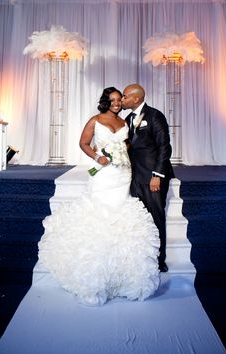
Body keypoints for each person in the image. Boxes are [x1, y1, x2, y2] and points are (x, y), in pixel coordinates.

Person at [38, 87, 160, 306]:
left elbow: (128, 145)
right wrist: (98, 156)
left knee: (121, 214)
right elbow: (83, 143)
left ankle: (123, 273)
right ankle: (94, 273)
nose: (116, 103)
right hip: (103, 174)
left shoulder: (126, 123)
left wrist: (121, 152)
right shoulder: (95, 120)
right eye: (112, 100)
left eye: (118, 100)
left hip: (123, 174)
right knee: (100, 214)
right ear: (105, 102)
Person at [121, 84, 175, 273]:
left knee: (156, 218)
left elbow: (164, 147)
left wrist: (157, 175)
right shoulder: (128, 119)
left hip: (153, 177)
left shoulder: (154, 116)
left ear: (136, 99)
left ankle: (159, 261)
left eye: (125, 96)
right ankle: (142, 256)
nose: (122, 100)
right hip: (136, 177)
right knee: (141, 219)